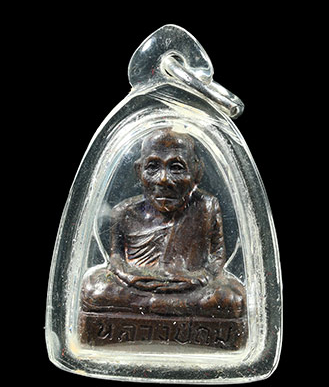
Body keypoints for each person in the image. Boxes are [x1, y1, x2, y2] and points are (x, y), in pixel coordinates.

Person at [80, 128, 245, 319]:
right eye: (153, 167)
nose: (164, 179)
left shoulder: (206, 206)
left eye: (176, 167)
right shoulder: (124, 212)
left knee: (230, 297)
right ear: (139, 170)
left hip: (190, 287)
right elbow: (116, 259)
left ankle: (155, 309)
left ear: (197, 172)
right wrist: (130, 277)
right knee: (96, 290)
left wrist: (199, 278)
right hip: (137, 286)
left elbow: (216, 257)